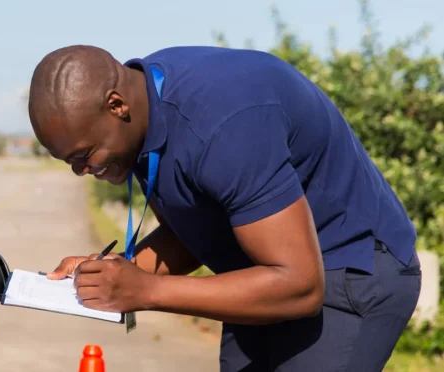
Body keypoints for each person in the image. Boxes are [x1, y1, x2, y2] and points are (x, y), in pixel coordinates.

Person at [27, 45, 422, 371]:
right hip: (263, 270)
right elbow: (196, 233)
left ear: (116, 106)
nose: (81, 171)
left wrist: (147, 290)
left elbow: (300, 287)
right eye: (68, 162)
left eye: (84, 155)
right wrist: (110, 275)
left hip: (351, 269)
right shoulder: (147, 107)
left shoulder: (223, 125)